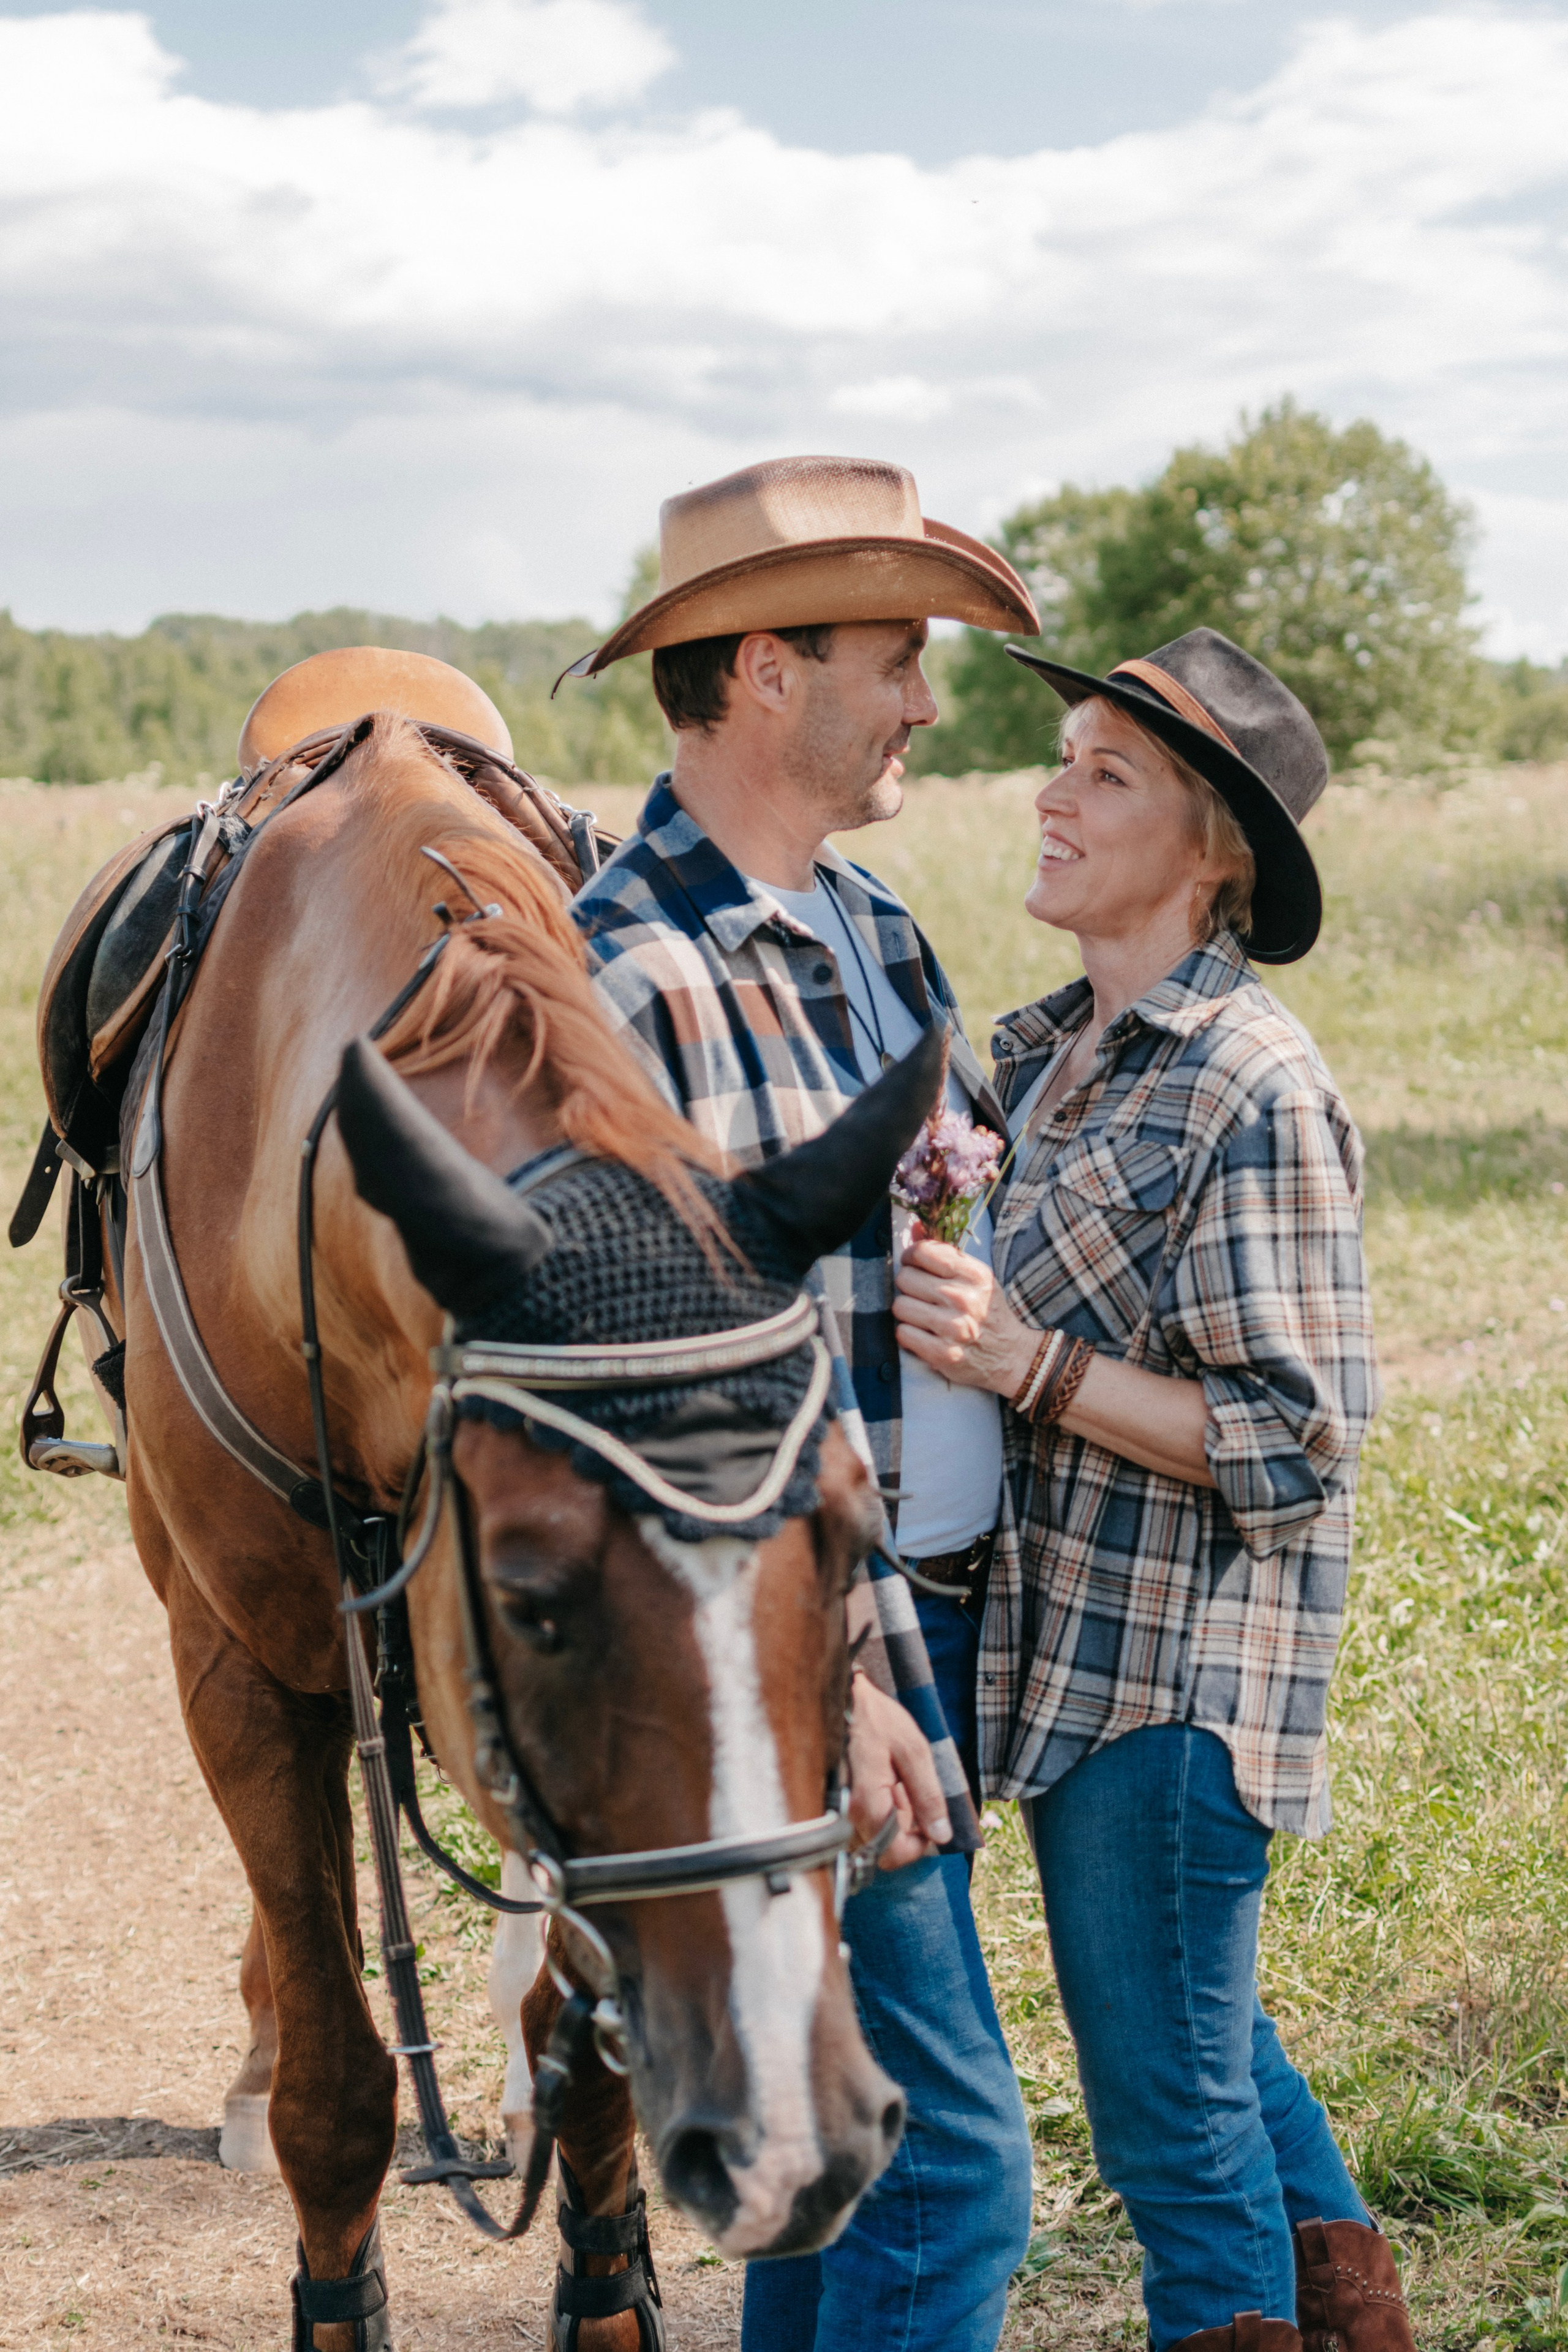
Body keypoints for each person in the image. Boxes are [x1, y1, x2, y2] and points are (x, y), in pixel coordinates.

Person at [567, 454, 1038, 2352]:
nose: (927, 698)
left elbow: (921, 1220)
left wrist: (964, 1273)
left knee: (832, 2184)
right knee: (953, 2172)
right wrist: (833, 1684)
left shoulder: (876, 933)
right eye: (894, 655)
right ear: (766, 670)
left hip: (913, 1596)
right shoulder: (626, 984)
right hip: (787, 1661)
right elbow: (655, 1422)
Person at [892, 629, 1409, 2352]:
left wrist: (1021, 1361)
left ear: (1215, 856)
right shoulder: (1047, 1058)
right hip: (1073, 1656)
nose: (1052, 792)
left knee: (1169, 2127)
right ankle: (1349, 2317)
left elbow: (1294, 1433)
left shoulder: (1248, 1085)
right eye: (1063, 756)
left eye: (1107, 774)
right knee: (1209, 2047)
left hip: (1178, 1681)